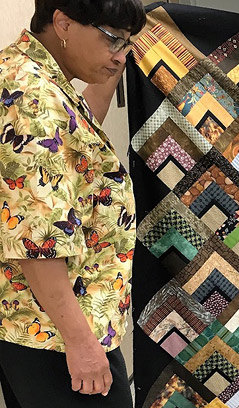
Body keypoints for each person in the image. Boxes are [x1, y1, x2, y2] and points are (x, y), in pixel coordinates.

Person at [0, 1, 145, 406]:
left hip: (39, 324)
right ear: (63, 22)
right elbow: (37, 241)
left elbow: (76, 142)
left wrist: (111, 66)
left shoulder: (34, 77)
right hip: (57, 334)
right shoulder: (33, 99)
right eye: (113, 39)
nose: (120, 54)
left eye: (127, 43)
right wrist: (82, 345)